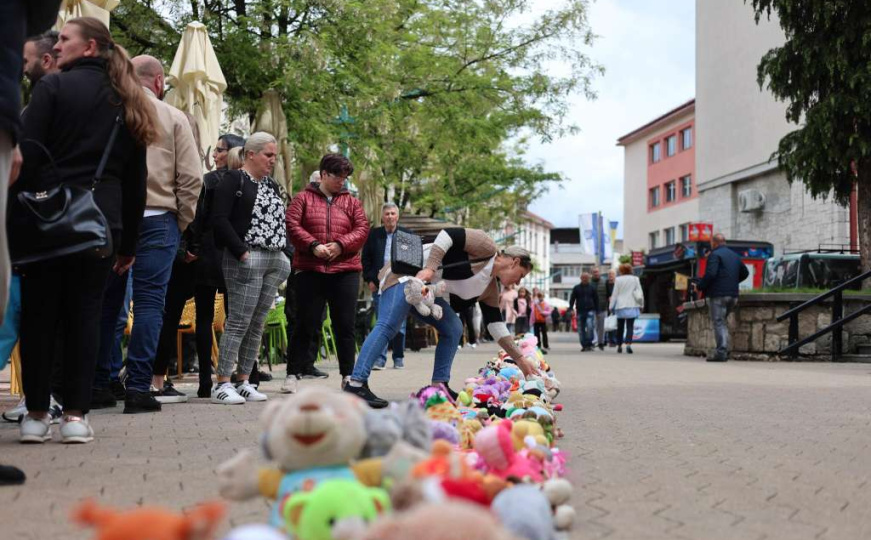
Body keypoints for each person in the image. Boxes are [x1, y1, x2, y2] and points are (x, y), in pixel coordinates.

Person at [16, 17, 156, 443]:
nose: (56, 47)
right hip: (101, 224)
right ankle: (76, 416)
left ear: (90, 47)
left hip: (47, 220)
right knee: (86, 317)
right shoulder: (128, 99)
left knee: (39, 317)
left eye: (64, 39)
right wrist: (129, 243)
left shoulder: (52, 88)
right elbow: (136, 182)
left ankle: (37, 414)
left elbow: (27, 155)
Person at [88, 54, 200, 415]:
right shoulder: (172, 116)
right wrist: (180, 220)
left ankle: (99, 383)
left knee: (106, 301)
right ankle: (138, 387)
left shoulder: (109, 109)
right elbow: (191, 177)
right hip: (157, 216)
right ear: (158, 81)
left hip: (111, 218)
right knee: (151, 301)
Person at [347, 232, 537, 407]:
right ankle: (356, 384)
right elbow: (447, 235)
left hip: (427, 293)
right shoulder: (486, 246)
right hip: (406, 273)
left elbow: (496, 326)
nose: (519, 282)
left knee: (453, 328)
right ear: (514, 262)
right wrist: (430, 268)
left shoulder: (490, 289)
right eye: (521, 275)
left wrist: (520, 359)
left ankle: (439, 386)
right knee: (389, 325)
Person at [210, 132, 290, 404]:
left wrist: (285, 256)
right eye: (268, 155)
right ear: (251, 154)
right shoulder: (234, 180)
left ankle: (244, 380)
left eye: (275, 156)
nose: (272, 161)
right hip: (246, 257)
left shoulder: (271, 184)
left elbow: (281, 221)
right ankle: (222, 383)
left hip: (273, 259)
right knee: (239, 322)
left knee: (257, 324)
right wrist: (241, 251)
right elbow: (218, 219)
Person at [282, 154, 369, 394]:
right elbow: (292, 225)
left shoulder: (352, 202)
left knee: (345, 325)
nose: (342, 181)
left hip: (346, 271)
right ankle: (292, 373)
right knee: (304, 323)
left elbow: (362, 228)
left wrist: (340, 245)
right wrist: (313, 245)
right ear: (323, 174)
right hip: (311, 269)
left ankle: (348, 375)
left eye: (345, 177)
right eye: (337, 176)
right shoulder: (302, 199)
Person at [180, 133, 245, 398]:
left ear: (231, 153)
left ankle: (205, 381)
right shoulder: (245, 181)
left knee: (205, 318)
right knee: (237, 317)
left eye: (220, 150)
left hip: (208, 254)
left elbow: (199, 217)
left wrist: (191, 248)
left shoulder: (209, 181)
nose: (215, 155)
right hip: (234, 253)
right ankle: (241, 376)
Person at [361, 203, 410, 369]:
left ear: (397, 216)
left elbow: (413, 260)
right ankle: (380, 359)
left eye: (392, 213)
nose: (389, 217)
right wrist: (369, 280)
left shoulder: (406, 235)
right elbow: (365, 259)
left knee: (400, 322)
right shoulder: (374, 235)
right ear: (382, 217)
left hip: (400, 283)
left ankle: (398, 357)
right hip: (379, 284)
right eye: (387, 214)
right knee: (382, 322)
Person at [697, 233, 749, 362]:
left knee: (718, 323)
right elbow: (745, 272)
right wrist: (732, 282)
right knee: (722, 322)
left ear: (714, 243)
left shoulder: (714, 255)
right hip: (733, 295)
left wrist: (700, 286)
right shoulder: (735, 255)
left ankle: (721, 352)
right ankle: (724, 350)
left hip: (718, 295)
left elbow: (711, 273)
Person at [610, 263, 644, 354]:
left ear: (621, 270)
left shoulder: (618, 280)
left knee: (620, 327)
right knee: (630, 326)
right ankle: (628, 344)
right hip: (632, 304)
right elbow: (640, 293)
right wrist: (641, 305)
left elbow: (614, 294)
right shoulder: (635, 279)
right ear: (630, 270)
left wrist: (611, 306)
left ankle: (619, 345)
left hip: (620, 305)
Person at [569, 273, 598, 351]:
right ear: (580, 278)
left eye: (586, 277)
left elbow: (596, 299)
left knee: (590, 326)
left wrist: (597, 310)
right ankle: (584, 344)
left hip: (590, 310)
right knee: (581, 329)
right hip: (580, 311)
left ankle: (589, 343)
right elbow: (572, 299)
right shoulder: (576, 288)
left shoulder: (592, 287)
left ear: (589, 278)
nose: (585, 279)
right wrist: (571, 309)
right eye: (583, 277)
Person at [592, 268, 609, 350]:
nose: (596, 273)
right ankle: (593, 341)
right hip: (592, 308)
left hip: (602, 307)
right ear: (592, 273)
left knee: (602, 327)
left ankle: (601, 343)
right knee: (592, 326)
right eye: (594, 272)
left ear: (600, 273)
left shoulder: (605, 282)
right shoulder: (589, 282)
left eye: (597, 272)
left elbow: (609, 293)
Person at [606, 269, 617, 346]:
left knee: (615, 324)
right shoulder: (605, 283)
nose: (610, 276)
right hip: (608, 306)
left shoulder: (617, 283)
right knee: (609, 324)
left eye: (612, 274)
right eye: (609, 274)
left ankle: (614, 340)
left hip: (616, 306)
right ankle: (610, 340)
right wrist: (608, 297)